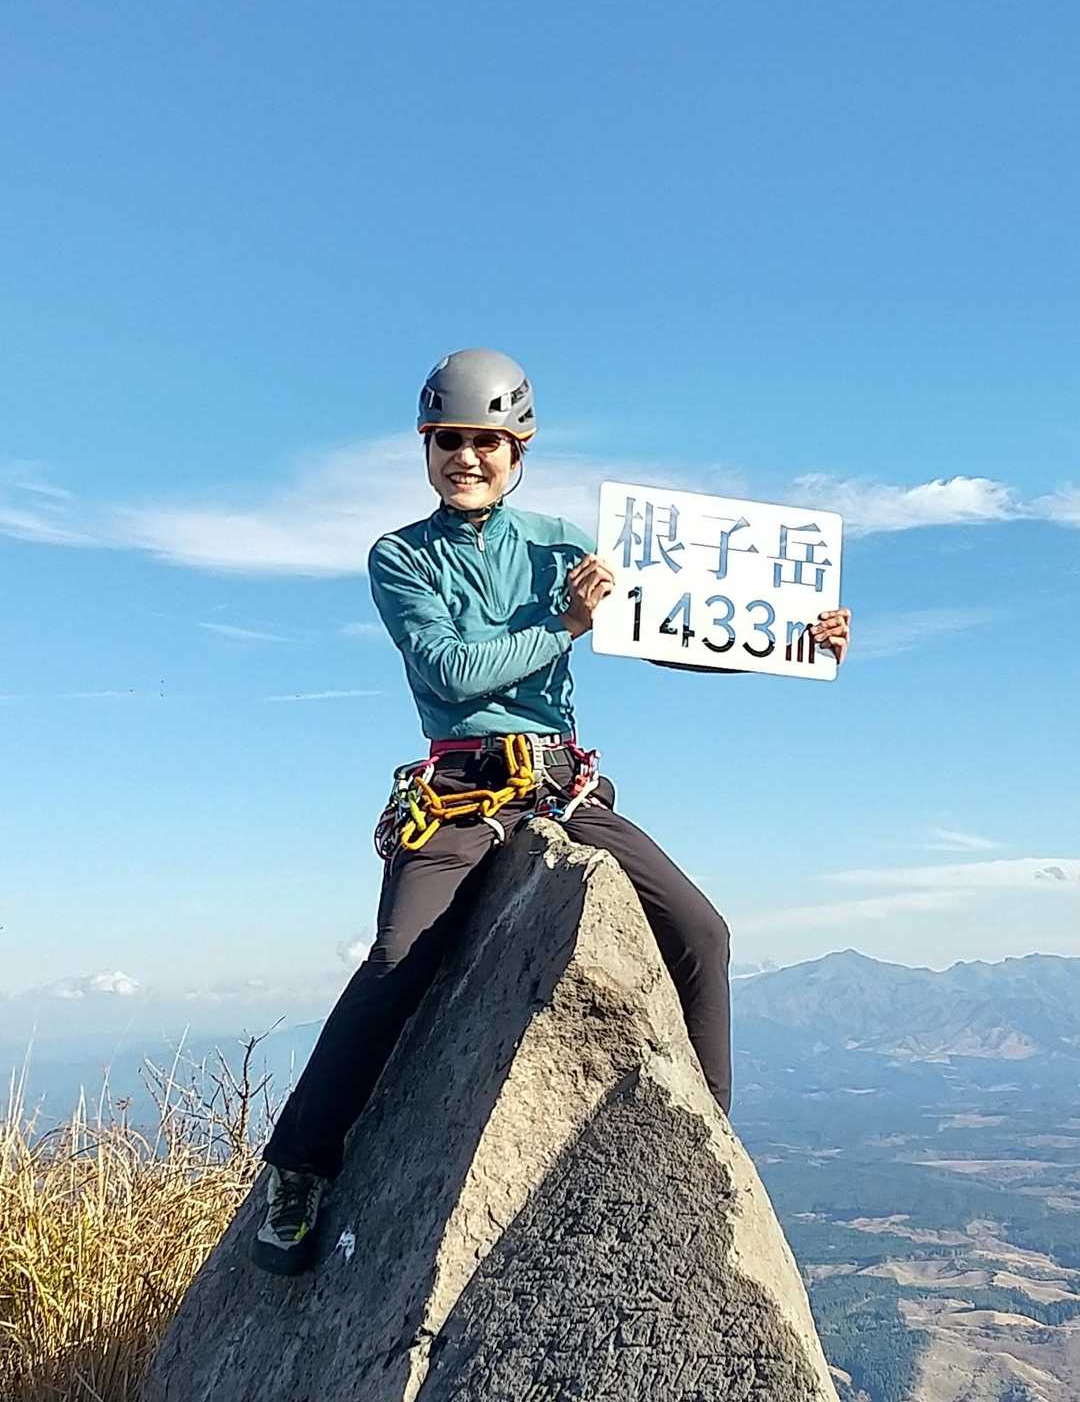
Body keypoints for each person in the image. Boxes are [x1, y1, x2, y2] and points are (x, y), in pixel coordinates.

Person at [251, 348, 851, 1275]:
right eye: (448, 440)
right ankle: (299, 1168)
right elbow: (452, 670)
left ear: (517, 448)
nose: (466, 457)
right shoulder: (399, 556)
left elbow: (662, 630)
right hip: (458, 792)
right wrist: (563, 624)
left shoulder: (562, 545)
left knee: (703, 932)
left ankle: (705, 1154)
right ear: (426, 447)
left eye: (486, 441)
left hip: (559, 782)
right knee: (399, 958)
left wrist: (793, 641)